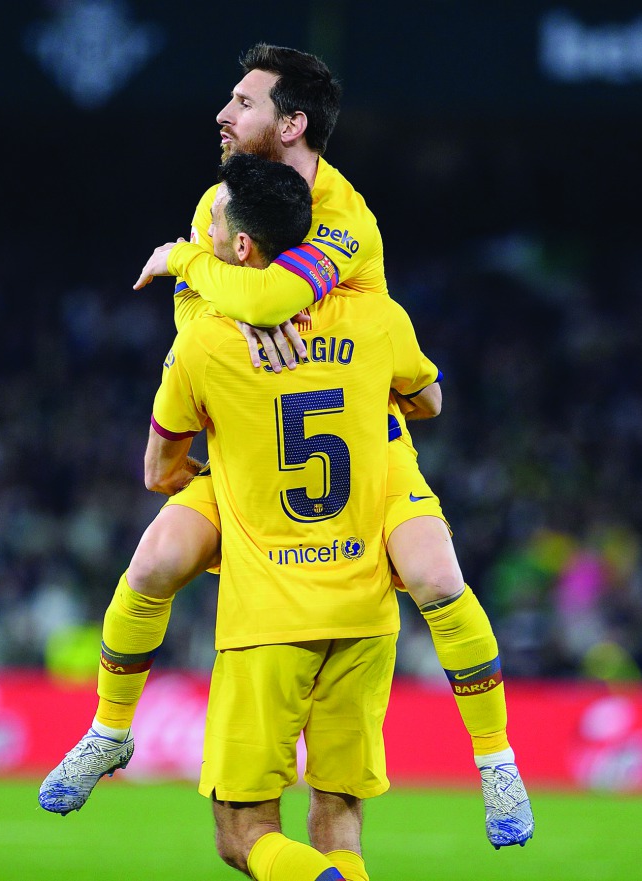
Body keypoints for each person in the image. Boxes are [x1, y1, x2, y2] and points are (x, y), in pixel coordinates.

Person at [40, 44, 533, 850]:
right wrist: (234, 317)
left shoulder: (342, 216)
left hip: (361, 437)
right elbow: (216, 313)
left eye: (243, 102)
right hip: (252, 434)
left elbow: (266, 288)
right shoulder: (218, 202)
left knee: (438, 577)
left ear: (292, 123)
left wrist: (185, 263)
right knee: (155, 561)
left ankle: (497, 759)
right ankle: (110, 729)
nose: (224, 115)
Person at [158, 151, 439, 880]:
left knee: (241, 831)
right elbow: (430, 399)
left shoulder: (206, 342)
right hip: (366, 613)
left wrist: (221, 485)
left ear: (241, 247)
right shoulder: (377, 317)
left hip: (268, 618)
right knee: (338, 818)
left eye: (214, 223)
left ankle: (107, 724)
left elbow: (159, 471)